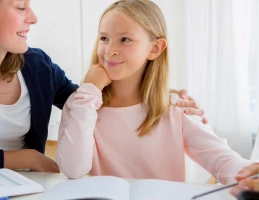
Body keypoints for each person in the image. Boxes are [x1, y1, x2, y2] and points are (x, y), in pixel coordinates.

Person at [0, 0, 207, 172]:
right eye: (20, 7)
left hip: (29, 188)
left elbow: (92, 102)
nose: (33, 17)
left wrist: (165, 100)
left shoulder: (37, 66)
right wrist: (30, 158)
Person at [56, 0, 254, 185]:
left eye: (125, 39)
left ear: (155, 48)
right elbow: (74, 169)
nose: (110, 50)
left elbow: (221, 159)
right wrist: (89, 93)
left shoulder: (176, 107)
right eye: (104, 38)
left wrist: (251, 174)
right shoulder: (81, 103)